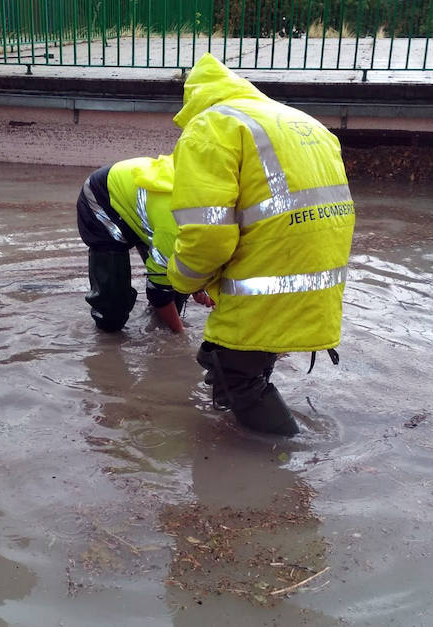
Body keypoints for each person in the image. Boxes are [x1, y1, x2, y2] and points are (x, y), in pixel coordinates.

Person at [167, 53, 356, 436]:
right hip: (318, 274)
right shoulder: (303, 121)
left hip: (266, 275)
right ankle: (244, 436)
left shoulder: (211, 126)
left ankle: (282, 461)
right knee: (238, 359)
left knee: (237, 376)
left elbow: (207, 235)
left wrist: (183, 282)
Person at [76, 154, 212, 333]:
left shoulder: (215, 220)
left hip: (147, 208)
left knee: (175, 287)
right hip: (101, 199)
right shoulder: (174, 231)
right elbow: (158, 291)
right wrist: (180, 334)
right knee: (112, 312)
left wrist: (199, 286)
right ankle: (107, 338)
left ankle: (159, 323)